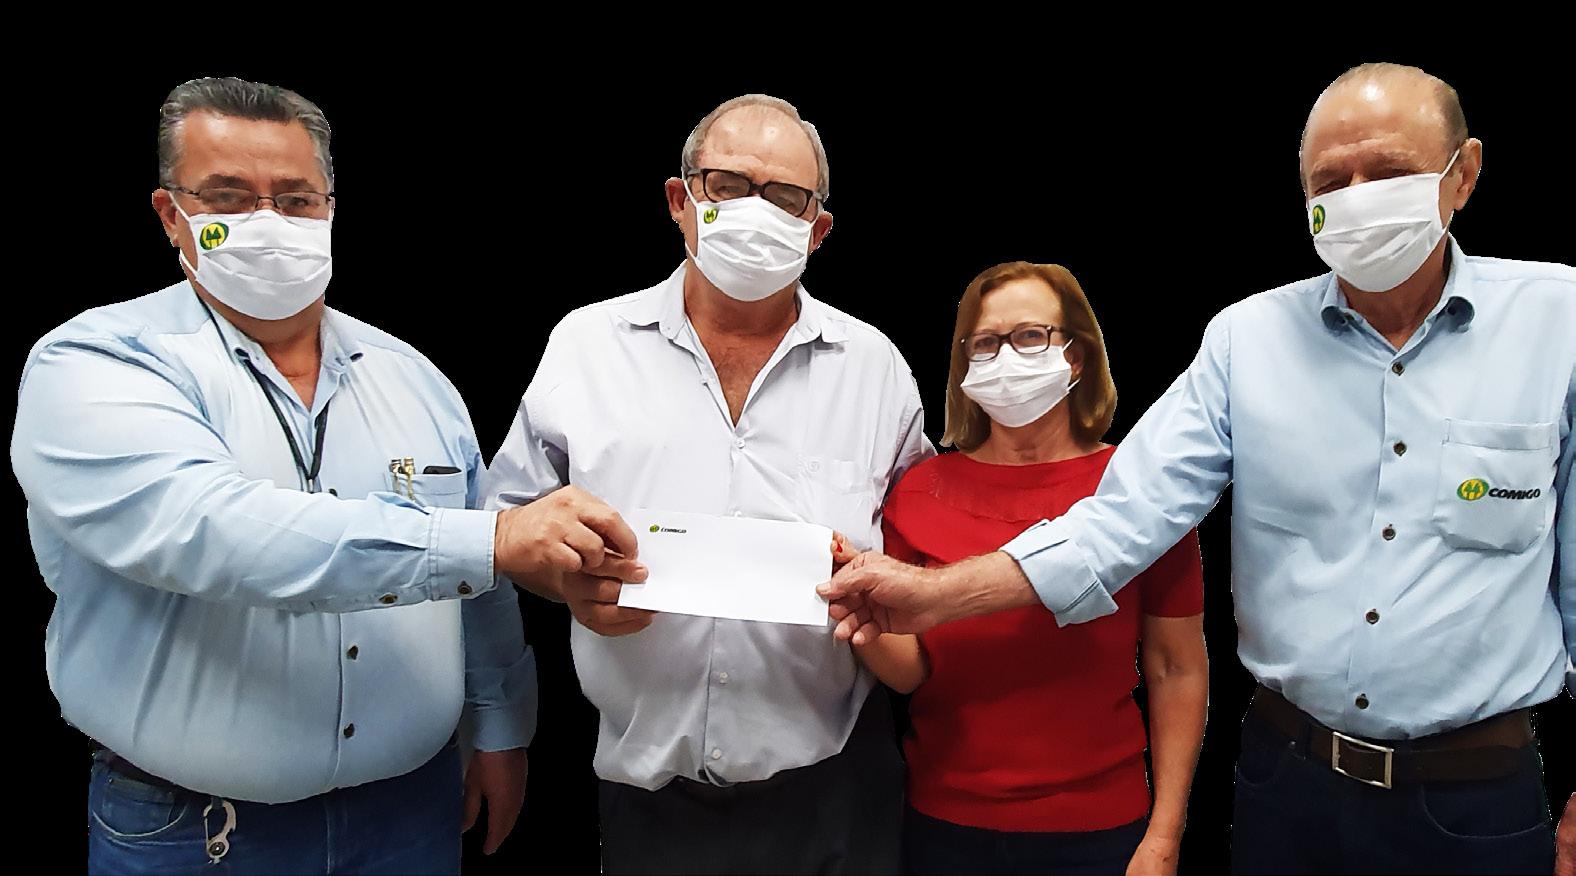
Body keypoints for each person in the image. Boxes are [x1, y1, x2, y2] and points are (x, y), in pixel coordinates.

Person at [821, 62, 1574, 875]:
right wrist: (933, 595)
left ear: (1463, 173)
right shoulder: (1247, 341)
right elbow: (1125, 518)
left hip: (1477, 788)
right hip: (1291, 779)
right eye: (1331, 181)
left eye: (1389, 171)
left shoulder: (1556, 323)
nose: (1358, 197)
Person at [10, 76, 644, 875]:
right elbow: (212, 531)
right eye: (228, 197)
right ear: (172, 215)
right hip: (194, 831)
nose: (268, 222)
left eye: (295, 199)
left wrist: (500, 725)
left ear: (330, 209)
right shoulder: (97, 364)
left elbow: (479, 585)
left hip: (410, 814)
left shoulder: (413, 377)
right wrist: (491, 539)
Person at [482, 94, 933, 875]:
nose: (755, 210)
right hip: (650, 796)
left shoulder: (876, 368)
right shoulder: (587, 345)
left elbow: (924, 548)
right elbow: (505, 524)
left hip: (836, 788)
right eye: (727, 184)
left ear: (818, 230)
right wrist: (567, 582)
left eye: (785, 196)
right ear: (679, 198)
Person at [850, 261, 1208, 876]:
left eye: (1030, 336)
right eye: (986, 343)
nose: (1007, 356)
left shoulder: (1136, 493)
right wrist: (860, 618)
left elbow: (1176, 667)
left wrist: (1165, 836)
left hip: (1101, 832)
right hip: (942, 825)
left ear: (1076, 356)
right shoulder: (918, 490)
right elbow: (911, 673)